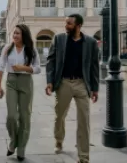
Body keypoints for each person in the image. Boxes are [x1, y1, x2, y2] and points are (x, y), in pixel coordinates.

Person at [45, 14, 99, 163]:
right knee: (60, 115)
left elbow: (94, 66)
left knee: (84, 121)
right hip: (64, 83)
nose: (66, 26)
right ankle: (59, 139)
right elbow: (51, 61)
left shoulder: (91, 42)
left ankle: (83, 157)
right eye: (66, 23)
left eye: (69, 24)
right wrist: (50, 81)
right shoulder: (59, 39)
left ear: (78, 26)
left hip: (82, 84)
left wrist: (95, 88)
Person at [0, 24, 41, 161]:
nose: (15, 35)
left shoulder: (31, 49)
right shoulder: (8, 48)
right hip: (11, 81)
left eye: (18, 33)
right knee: (11, 116)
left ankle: (21, 148)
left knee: (24, 117)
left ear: (24, 35)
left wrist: (25, 68)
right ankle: (13, 141)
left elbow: (38, 68)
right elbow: (1, 67)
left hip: (26, 81)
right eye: (14, 33)